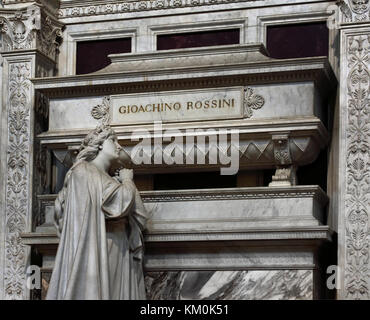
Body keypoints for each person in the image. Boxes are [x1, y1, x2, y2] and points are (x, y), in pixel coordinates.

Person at [46, 125, 148, 300]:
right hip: (98, 245)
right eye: (113, 140)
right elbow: (119, 205)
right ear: (100, 144)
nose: (118, 146)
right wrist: (128, 182)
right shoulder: (83, 171)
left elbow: (140, 214)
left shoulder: (107, 179)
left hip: (117, 245)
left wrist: (125, 182)